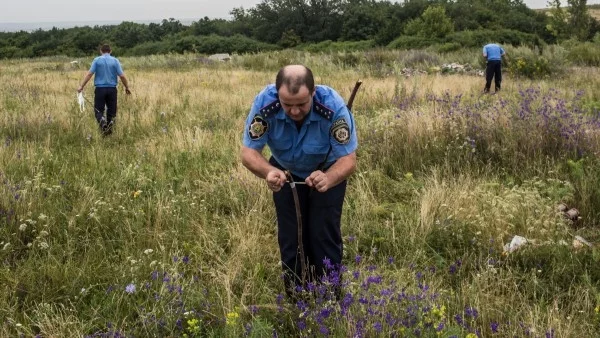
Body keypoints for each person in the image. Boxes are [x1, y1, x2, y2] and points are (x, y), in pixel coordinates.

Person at [240, 65, 357, 298]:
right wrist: (268, 172)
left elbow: (348, 160)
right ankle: (297, 297)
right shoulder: (264, 104)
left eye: (302, 104)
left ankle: (330, 299)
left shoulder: (333, 106)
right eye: (287, 105)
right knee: (292, 237)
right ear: (277, 94)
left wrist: (329, 177)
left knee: (323, 235)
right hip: (286, 172)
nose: (294, 111)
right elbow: (248, 153)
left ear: (313, 92)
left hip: (326, 171)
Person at [77, 44, 131, 135]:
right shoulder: (115, 61)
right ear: (111, 51)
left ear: (101, 51)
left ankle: (102, 122)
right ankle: (109, 132)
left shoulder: (97, 60)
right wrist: (127, 87)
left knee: (98, 110)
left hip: (100, 89)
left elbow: (89, 74)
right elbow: (122, 76)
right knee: (112, 111)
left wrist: (81, 86)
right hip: (112, 90)